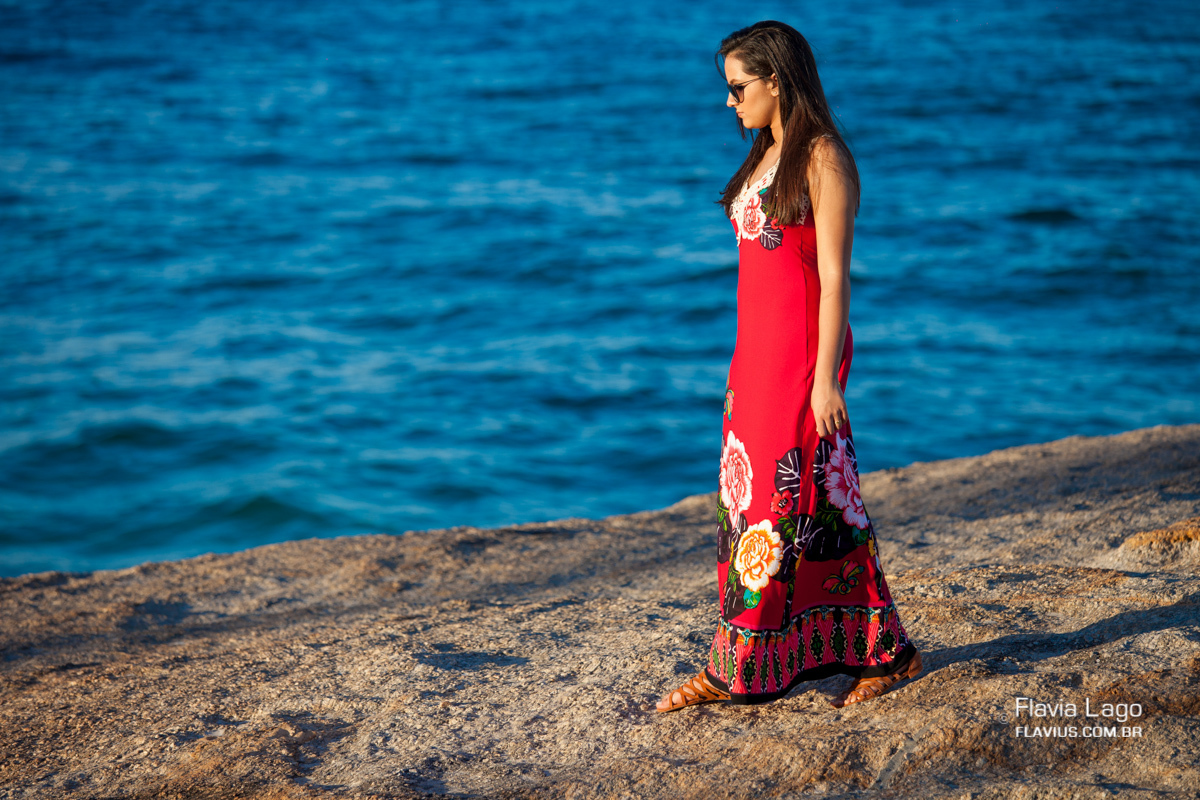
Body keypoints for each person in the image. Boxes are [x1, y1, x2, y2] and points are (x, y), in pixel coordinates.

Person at [655, 20, 922, 712]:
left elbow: (835, 281)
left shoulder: (823, 157)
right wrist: (739, 370)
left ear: (777, 79)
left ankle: (736, 668)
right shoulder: (766, 155)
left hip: (804, 356)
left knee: (780, 512)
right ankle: (877, 648)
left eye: (739, 86)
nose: (730, 101)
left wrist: (827, 377)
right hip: (756, 358)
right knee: (785, 508)